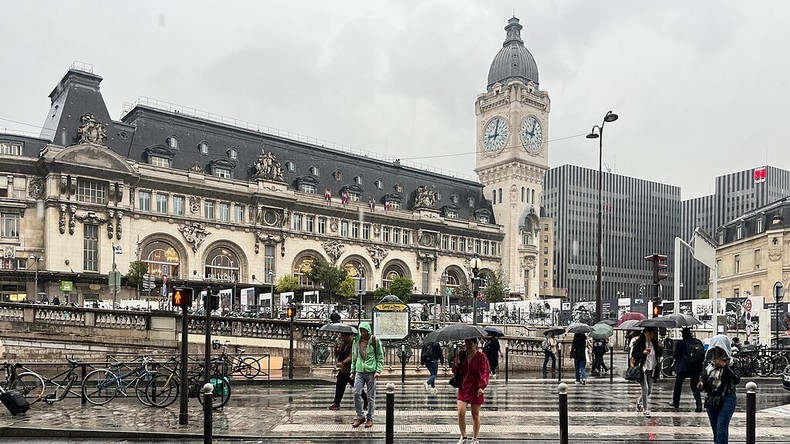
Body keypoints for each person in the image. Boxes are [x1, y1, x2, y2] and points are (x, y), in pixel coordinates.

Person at [698, 334, 740, 444]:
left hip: (727, 397)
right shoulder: (708, 363)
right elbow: (704, 377)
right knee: (716, 430)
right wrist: (701, 383)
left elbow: (736, 379)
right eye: (715, 349)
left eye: (720, 349)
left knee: (721, 428)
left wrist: (724, 367)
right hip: (712, 398)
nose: (717, 352)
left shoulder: (733, 362)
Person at [452, 337, 490, 444]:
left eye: (470, 343)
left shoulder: (481, 356)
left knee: (475, 414)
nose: (467, 345)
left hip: (476, 387)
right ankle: (463, 436)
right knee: (460, 412)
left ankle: (475, 438)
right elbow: (455, 371)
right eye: (466, 343)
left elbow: (484, 372)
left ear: (475, 344)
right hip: (464, 386)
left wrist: (482, 386)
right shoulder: (461, 355)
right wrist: (456, 364)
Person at [350, 322, 384, 428]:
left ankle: (370, 417)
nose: (363, 333)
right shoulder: (357, 340)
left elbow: (380, 355)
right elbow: (354, 355)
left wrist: (378, 370)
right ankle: (360, 416)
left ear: (368, 331)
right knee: (356, 393)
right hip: (360, 371)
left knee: (370, 397)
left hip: (371, 372)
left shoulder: (374, 340)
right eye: (361, 331)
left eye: (364, 331)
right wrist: (353, 370)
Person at [328, 332, 366, 410]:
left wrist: (342, 363)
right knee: (339, 386)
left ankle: (366, 399)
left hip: (349, 370)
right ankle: (337, 403)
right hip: (343, 370)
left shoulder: (352, 344)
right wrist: (336, 349)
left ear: (347, 336)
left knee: (356, 387)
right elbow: (337, 355)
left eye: (342, 336)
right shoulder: (342, 344)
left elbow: (351, 356)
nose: (341, 338)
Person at [631, 327, 663, 417]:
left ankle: (639, 400)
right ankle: (646, 409)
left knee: (649, 391)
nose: (651, 335)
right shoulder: (640, 343)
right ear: (645, 333)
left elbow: (659, 355)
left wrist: (660, 348)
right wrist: (643, 353)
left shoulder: (654, 343)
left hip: (652, 368)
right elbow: (634, 354)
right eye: (650, 333)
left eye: (652, 333)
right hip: (642, 369)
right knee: (645, 389)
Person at [670, 328, 704, 412]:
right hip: (695, 367)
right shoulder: (697, 342)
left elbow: (675, 355)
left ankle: (676, 402)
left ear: (683, 334)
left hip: (683, 367)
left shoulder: (681, 343)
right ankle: (699, 404)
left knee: (678, 385)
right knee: (694, 386)